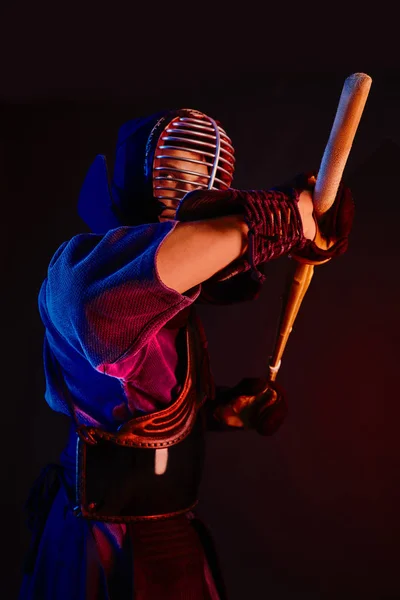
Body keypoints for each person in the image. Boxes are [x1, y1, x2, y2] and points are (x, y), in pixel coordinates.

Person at [19, 108, 354, 599]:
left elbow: (145, 405)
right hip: (101, 543)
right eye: (175, 171)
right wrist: (279, 219)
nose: (190, 188)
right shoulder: (81, 277)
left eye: (204, 177)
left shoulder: (173, 303)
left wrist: (219, 410)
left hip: (168, 534)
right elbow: (99, 310)